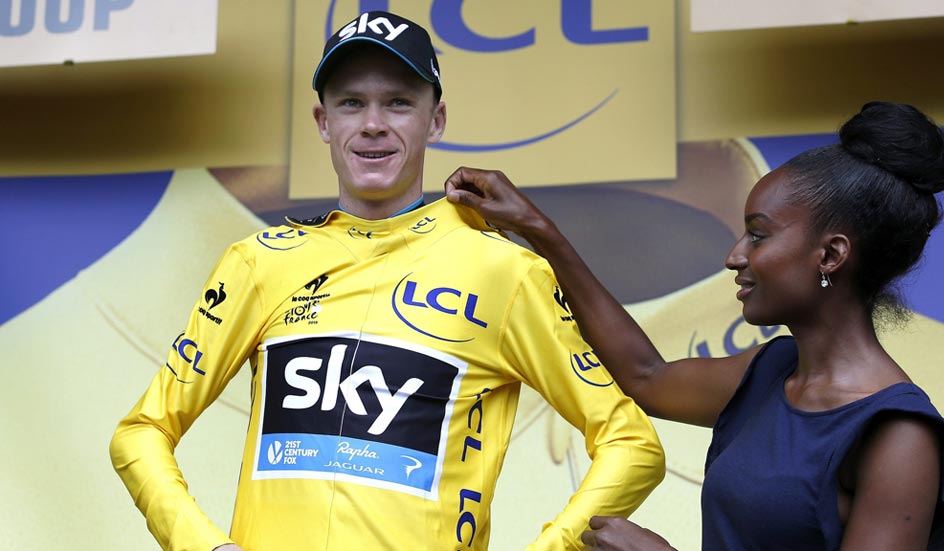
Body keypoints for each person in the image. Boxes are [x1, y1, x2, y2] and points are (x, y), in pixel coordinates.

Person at [109, 10, 665, 551]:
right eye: (351, 102)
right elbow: (140, 433)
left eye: (398, 102)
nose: (372, 123)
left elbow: (632, 445)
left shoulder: (503, 271)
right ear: (323, 121)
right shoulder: (260, 262)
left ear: (436, 119)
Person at [445, 101, 944, 550]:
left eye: (758, 236)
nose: (734, 256)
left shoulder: (898, 434)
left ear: (831, 255)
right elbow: (646, 376)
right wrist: (538, 229)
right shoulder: (770, 371)